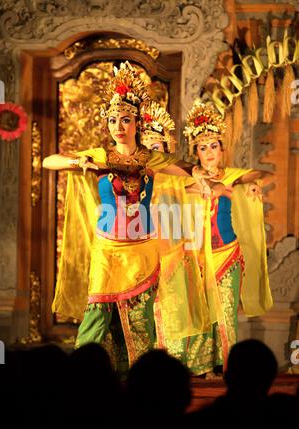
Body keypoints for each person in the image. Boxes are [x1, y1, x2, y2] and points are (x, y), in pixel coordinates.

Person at [42, 61, 196, 375]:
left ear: (137, 123)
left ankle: (138, 380)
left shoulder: (152, 158)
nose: (118, 126)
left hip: (141, 248)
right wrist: (78, 159)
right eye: (113, 120)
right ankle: (81, 377)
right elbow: (48, 161)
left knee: (140, 322)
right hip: (107, 250)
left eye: (125, 119)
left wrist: (205, 182)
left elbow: (187, 172)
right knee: (97, 314)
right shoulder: (99, 156)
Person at [155, 99, 273, 378]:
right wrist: (199, 182)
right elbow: (163, 183)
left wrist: (237, 187)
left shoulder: (231, 176)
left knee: (226, 314)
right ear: (196, 152)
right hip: (195, 258)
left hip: (227, 255)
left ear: (222, 149)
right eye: (202, 147)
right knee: (201, 315)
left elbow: (263, 175)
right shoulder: (187, 178)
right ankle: (201, 368)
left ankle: (228, 370)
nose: (209, 152)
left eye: (214, 146)